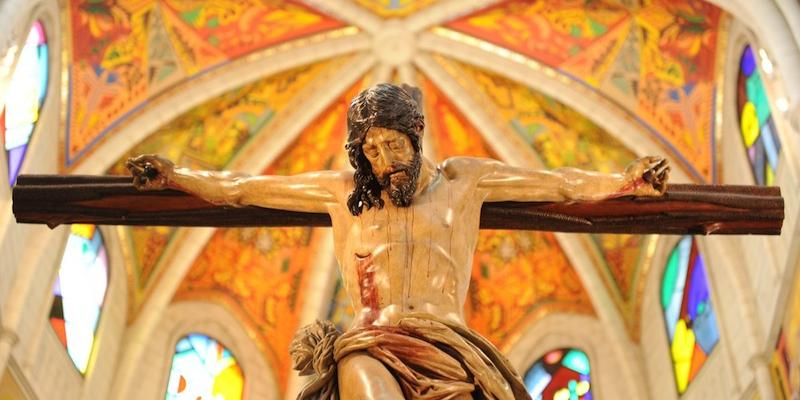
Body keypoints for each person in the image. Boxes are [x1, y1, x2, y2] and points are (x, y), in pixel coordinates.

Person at [128, 83, 668, 399]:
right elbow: (242, 190)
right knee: (357, 372)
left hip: (451, 346)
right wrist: (175, 176)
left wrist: (627, 181)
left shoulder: (464, 181)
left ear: (415, 135)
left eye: (392, 146)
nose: (383, 163)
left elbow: (560, 183)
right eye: (371, 152)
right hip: (374, 341)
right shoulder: (343, 193)